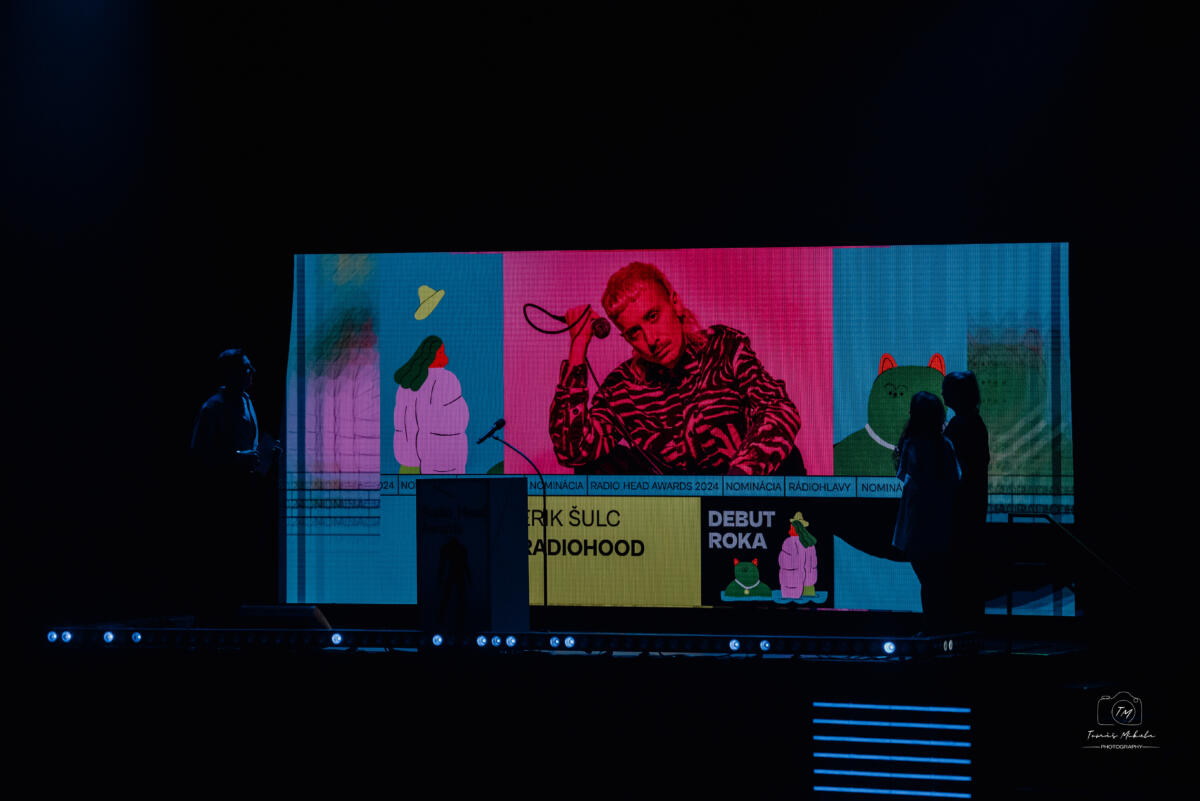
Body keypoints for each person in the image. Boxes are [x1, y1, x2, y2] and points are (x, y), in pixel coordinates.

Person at [550, 262, 803, 475]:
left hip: (740, 491)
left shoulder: (723, 347)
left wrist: (738, 481)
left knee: (786, 455)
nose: (651, 340)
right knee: (596, 466)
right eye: (635, 332)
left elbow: (779, 409)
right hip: (673, 505)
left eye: (653, 316)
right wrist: (578, 347)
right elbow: (572, 452)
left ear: (675, 303)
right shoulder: (621, 388)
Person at [892, 390, 961, 633]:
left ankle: (932, 626)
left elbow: (902, 474)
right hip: (941, 515)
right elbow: (955, 478)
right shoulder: (945, 444)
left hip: (919, 514)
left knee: (927, 577)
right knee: (937, 577)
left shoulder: (912, 444)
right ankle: (939, 625)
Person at [942, 370, 990, 631]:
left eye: (947, 389)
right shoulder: (972, 421)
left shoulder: (961, 425)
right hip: (971, 506)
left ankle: (962, 626)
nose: (943, 393)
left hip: (962, 510)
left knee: (961, 570)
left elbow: (954, 468)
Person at [394, 335, 470, 474]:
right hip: (439, 464)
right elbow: (458, 421)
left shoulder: (407, 383)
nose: (445, 356)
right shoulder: (446, 380)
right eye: (442, 352)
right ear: (432, 355)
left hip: (408, 461)